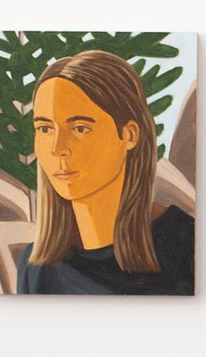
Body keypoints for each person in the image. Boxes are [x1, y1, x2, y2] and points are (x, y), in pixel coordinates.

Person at [16, 50, 194, 295]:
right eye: (45, 128)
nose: (57, 149)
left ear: (129, 135)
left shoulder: (186, 245)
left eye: (80, 128)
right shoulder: (36, 265)